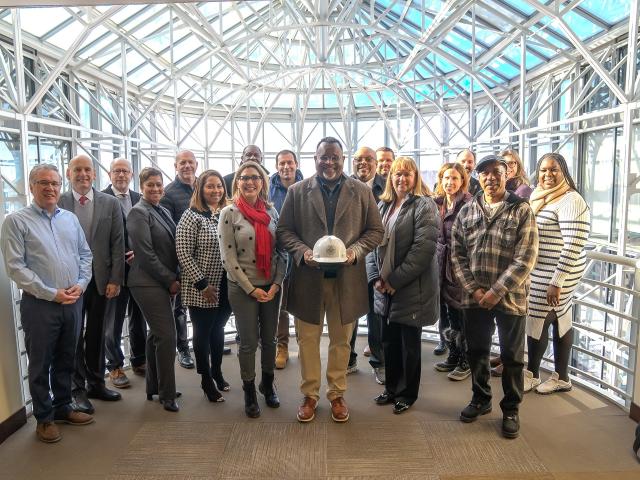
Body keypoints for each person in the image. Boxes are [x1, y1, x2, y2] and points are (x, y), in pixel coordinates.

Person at [277, 136, 384, 423]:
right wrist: (303, 252)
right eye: (324, 156)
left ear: (343, 159)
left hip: (347, 280)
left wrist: (355, 252)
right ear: (315, 158)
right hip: (308, 279)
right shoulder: (297, 192)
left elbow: (376, 231)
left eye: (335, 157)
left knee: (341, 341)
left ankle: (337, 394)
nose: (329, 162)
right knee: (307, 340)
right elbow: (285, 231)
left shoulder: (361, 191)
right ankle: (310, 394)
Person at [1, 164, 94, 443]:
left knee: (67, 358)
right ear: (31, 187)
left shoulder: (69, 219)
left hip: (73, 301)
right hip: (41, 304)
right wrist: (51, 293)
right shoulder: (15, 221)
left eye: (54, 183)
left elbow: (85, 255)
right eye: (43, 183)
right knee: (40, 362)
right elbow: (16, 268)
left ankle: (63, 406)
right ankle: (44, 418)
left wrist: (81, 284)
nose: (50, 188)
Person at [451, 154, 538, 439]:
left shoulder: (521, 209)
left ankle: (511, 409)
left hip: (510, 298)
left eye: (496, 172)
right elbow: (457, 254)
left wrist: (495, 291)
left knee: (512, 357)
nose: (490, 178)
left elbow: (526, 257)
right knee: (476, 351)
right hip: (474, 298)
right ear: (478, 177)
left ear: (506, 174)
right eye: (484, 173)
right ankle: (481, 398)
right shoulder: (467, 211)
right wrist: (476, 290)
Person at [367, 157, 439, 414]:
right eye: (397, 174)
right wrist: (376, 278)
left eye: (407, 174)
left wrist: (394, 281)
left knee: (409, 345)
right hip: (384, 288)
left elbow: (423, 249)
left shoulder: (424, 205)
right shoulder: (384, 204)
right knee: (389, 343)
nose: (401, 179)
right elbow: (372, 243)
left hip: (411, 289)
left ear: (416, 176)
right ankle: (391, 388)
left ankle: (407, 394)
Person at [58, 155, 125, 414]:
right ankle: (77, 389)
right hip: (70, 283)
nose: (83, 174)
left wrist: (115, 279)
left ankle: (96, 382)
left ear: (95, 175)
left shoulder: (109, 203)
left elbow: (118, 243)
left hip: (101, 282)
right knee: (73, 336)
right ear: (68, 173)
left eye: (87, 170)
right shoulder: (59, 201)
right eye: (78, 170)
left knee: (97, 333)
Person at [220, 161, 286, 418]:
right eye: (245, 177)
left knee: (269, 340)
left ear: (262, 182)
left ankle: (267, 385)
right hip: (242, 287)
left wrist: (277, 283)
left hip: (271, 286)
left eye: (255, 177)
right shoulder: (230, 213)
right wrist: (250, 289)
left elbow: (282, 252)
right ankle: (249, 390)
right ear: (237, 181)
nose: (250, 182)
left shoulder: (272, 212)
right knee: (248, 343)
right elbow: (228, 258)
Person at [525, 153, 590, 394]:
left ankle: (531, 373)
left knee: (538, 316)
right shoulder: (541, 196)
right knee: (561, 316)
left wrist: (557, 281)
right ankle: (562, 377)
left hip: (559, 271)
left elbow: (574, 244)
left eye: (554, 170)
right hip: (542, 268)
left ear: (564, 172)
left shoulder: (571, 200)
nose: (548, 175)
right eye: (543, 170)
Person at [176, 170, 232, 403]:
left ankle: (217, 371)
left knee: (218, 329)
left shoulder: (225, 213)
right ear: (200, 189)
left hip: (225, 285)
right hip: (202, 288)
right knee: (202, 334)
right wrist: (202, 284)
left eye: (219, 186)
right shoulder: (191, 216)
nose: (216, 190)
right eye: (210, 186)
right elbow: (183, 253)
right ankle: (206, 379)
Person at [128, 167, 181, 412]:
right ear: (141, 186)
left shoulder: (161, 209)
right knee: (167, 336)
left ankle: (155, 387)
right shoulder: (138, 212)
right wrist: (171, 279)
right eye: (150, 185)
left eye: (159, 184)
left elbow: (171, 244)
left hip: (161, 281)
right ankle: (167, 395)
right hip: (147, 282)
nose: (156, 189)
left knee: (155, 335)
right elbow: (146, 254)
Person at [102, 158, 147, 389]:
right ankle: (115, 366)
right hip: (115, 272)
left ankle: (139, 360)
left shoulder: (141, 198)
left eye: (125, 171)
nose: (121, 175)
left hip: (139, 270)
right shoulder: (101, 199)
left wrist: (140, 252)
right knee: (114, 321)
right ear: (109, 174)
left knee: (139, 319)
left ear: (131, 175)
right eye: (117, 171)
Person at [433, 163, 473, 381]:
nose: (450, 182)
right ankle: (454, 354)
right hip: (441, 266)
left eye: (455, 178)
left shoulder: (468, 204)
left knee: (462, 314)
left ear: (462, 181)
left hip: (459, 267)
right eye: (446, 178)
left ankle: (465, 360)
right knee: (448, 313)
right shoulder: (437, 203)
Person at [350, 146, 387, 384]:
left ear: (376, 163)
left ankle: (378, 361)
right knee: (348, 312)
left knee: (376, 314)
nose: (363, 163)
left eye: (368, 159)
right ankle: (348, 359)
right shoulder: (344, 185)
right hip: (350, 260)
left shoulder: (388, 186)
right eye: (359, 159)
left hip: (378, 259)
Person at [160, 150, 198, 369]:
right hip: (181, 260)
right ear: (175, 166)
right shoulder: (168, 194)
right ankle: (183, 349)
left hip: (204, 258)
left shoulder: (202, 186)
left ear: (196, 164)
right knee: (180, 309)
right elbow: (167, 230)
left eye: (190, 162)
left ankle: (205, 341)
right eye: (182, 163)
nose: (186, 166)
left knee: (205, 304)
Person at [269, 149, 304, 370]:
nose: (286, 167)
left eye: (290, 163)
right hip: (276, 254)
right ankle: (282, 346)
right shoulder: (267, 189)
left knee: (301, 302)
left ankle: (303, 343)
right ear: (276, 165)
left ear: (296, 164)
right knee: (280, 305)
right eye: (282, 163)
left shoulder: (308, 186)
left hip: (300, 253)